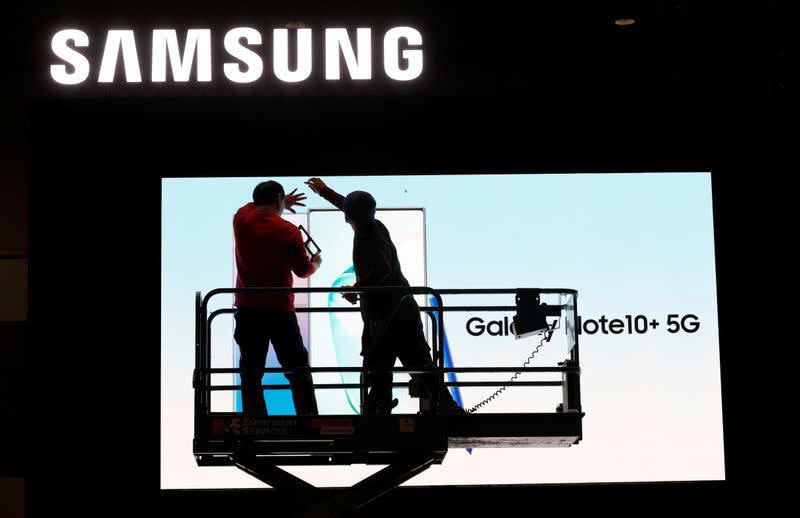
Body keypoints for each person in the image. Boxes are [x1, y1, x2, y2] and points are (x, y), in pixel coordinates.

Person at [305, 177, 464, 415]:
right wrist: (325, 192)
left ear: (348, 217)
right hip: (399, 309)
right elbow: (348, 206)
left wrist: (356, 287)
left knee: (382, 366)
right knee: (406, 364)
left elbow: (383, 269)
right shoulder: (374, 224)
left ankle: (379, 413)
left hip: (387, 316)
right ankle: (444, 408)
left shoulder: (367, 238)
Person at [233, 180, 321, 416]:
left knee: (251, 371)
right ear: (278, 199)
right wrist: (316, 263)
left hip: (248, 310)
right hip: (279, 312)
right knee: (297, 369)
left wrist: (279, 200)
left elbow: (251, 206)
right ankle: (308, 422)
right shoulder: (288, 231)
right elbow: (303, 270)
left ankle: (255, 423)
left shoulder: (241, 220)